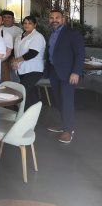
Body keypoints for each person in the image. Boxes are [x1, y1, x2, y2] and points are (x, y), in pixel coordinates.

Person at [45, 9, 85, 144]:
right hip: (54, 72)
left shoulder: (72, 33)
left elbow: (80, 54)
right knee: (58, 100)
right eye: (51, 18)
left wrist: (76, 71)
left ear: (63, 19)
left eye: (57, 17)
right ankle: (63, 124)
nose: (54, 20)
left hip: (68, 74)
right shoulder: (51, 33)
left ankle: (68, 130)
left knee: (67, 102)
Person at [10, 16, 46, 110]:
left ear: (35, 25)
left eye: (30, 23)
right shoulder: (19, 36)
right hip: (21, 69)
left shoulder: (37, 36)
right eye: (25, 23)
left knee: (22, 91)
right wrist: (14, 61)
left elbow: (32, 53)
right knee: (30, 93)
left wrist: (16, 61)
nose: (27, 25)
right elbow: (15, 51)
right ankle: (34, 113)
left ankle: (22, 115)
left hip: (33, 70)